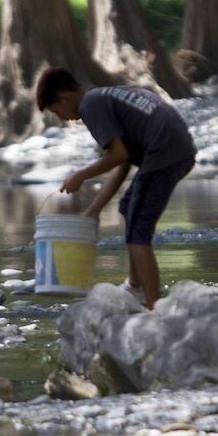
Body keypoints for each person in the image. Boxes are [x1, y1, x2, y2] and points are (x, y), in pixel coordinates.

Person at [35, 68, 196, 309]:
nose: (62, 118)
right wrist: (94, 209)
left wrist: (80, 176)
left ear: (64, 97)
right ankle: (135, 286)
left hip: (163, 152)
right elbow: (123, 161)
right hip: (178, 149)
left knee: (138, 233)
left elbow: (117, 155)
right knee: (129, 207)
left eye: (57, 111)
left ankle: (154, 308)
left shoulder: (90, 105)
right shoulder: (103, 95)